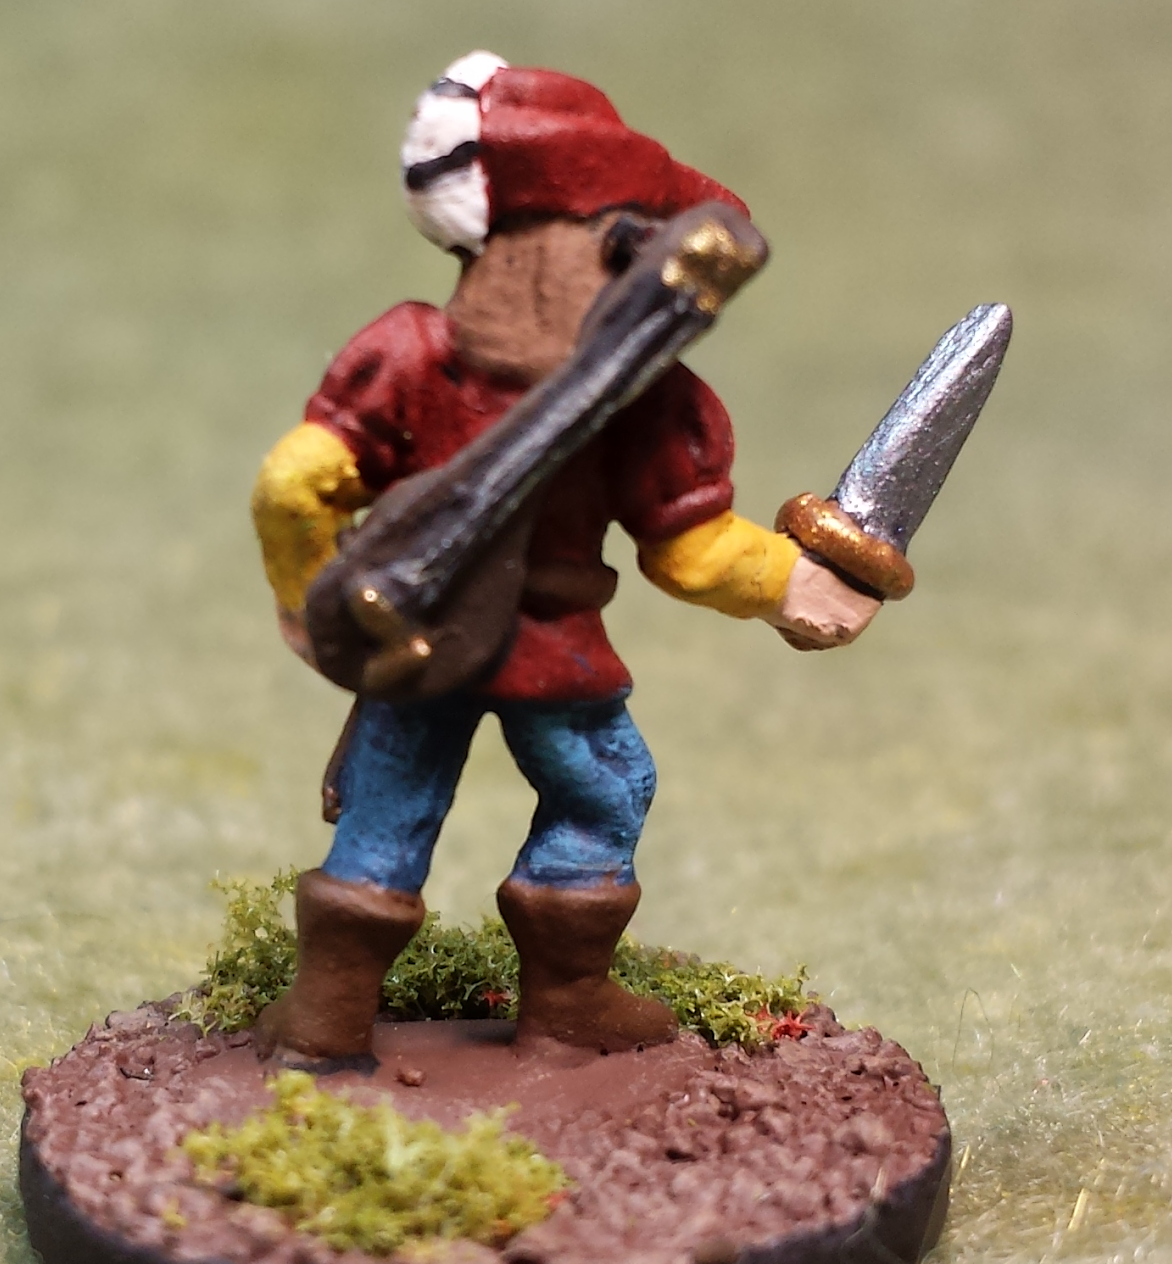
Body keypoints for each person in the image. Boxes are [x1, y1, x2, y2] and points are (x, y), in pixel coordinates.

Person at [249, 52, 879, 1062]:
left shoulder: (407, 355)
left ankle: (326, 1020)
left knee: (386, 812)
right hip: (557, 658)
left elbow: (293, 484)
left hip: (417, 644)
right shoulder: (649, 400)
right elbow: (692, 555)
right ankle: (568, 1006)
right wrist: (794, 587)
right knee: (605, 792)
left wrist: (313, 605)